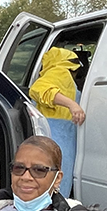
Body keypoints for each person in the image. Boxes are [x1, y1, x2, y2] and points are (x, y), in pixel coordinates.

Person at [29, 47, 85, 198]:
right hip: (56, 138)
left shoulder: (57, 73)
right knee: (54, 186)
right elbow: (39, 89)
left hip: (57, 139)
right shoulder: (60, 71)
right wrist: (72, 105)